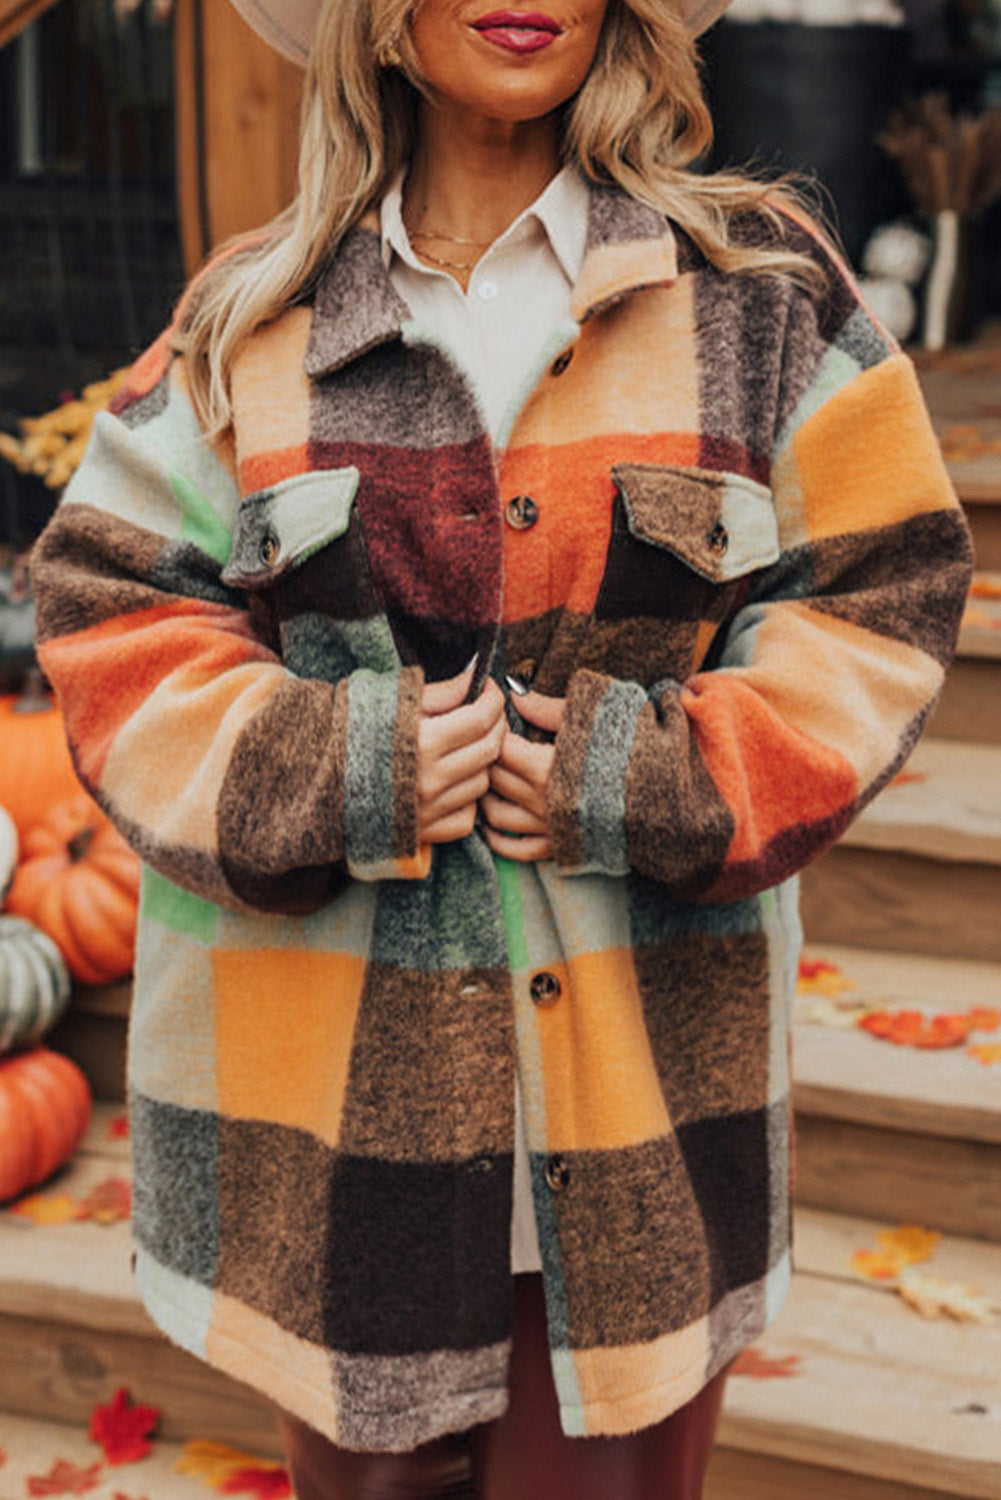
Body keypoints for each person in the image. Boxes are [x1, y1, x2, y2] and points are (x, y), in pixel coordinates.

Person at [30, 0, 972, 1492]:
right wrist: (333, 769)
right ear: (374, 22)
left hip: (643, 1132)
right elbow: (106, 613)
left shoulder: (757, 297)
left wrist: (652, 782)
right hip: (322, 1147)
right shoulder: (249, 320)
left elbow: (880, 590)